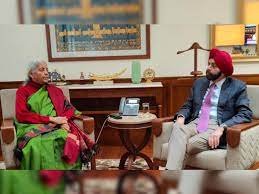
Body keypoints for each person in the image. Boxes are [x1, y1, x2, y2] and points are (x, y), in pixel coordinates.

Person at [166, 48, 253, 170]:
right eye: (209, 64)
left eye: (214, 66)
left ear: (223, 70)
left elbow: (245, 113)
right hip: (195, 122)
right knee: (177, 128)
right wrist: (181, 118)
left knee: (185, 144)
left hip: (215, 125)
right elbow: (188, 105)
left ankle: (169, 180)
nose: (208, 67)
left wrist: (222, 128)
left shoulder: (237, 86)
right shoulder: (199, 83)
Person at [14, 60, 97, 170]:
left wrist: (63, 121)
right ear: (31, 74)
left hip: (57, 126)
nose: (46, 72)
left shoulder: (55, 90)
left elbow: (69, 109)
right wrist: (52, 119)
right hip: (31, 126)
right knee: (35, 145)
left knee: (65, 138)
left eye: (47, 69)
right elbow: (22, 115)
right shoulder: (23, 91)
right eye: (41, 70)